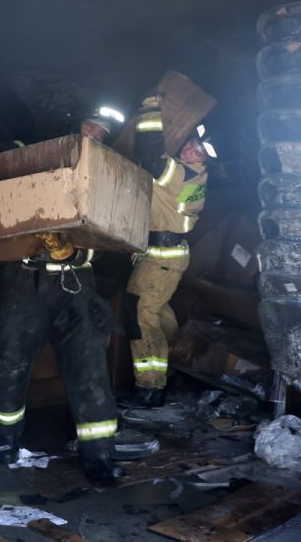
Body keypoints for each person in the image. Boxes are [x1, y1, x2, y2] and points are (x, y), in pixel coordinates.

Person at [0, 106, 127, 484]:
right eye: (89, 126)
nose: (92, 136)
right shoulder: (38, 151)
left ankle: (99, 455)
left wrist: (78, 251)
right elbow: (3, 156)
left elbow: (116, 238)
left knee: (90, 369)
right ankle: (6, 440)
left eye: (101, 134)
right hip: (21, 278)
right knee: (9, 360)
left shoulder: (110, 175)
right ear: (74, 125)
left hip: (75, 282)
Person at [122, 91, 216, 408]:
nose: (190, 149)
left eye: (198, 150)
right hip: (165, 257)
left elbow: (150, 156)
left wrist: (150, 109)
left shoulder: (181, 175)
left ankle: (150, 386)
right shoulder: (196, 176)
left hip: (161, 258)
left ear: (204, 159)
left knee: (140, 316)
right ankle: (175, 356)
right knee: (158, 311)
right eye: (191, 142)